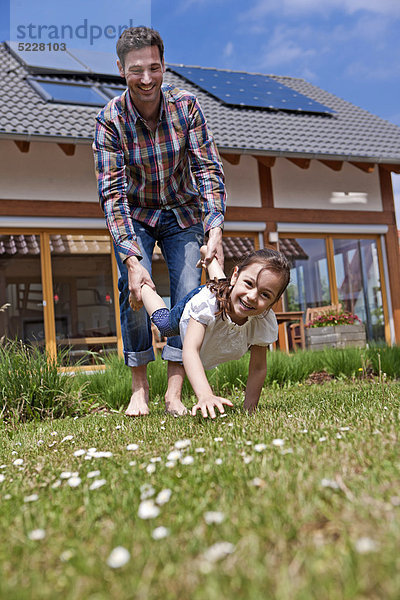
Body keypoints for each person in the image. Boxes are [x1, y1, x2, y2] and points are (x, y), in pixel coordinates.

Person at [93, 27, 226, 417]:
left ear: (164, 65)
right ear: (121, 69)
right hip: (136, 214)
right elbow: (112, 196)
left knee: (186, 294)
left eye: (154, 67)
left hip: (183, 212)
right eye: (137, 70)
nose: (147, 78)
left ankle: (174, 391)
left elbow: (208, 171)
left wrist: (215, 228)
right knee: (133, 291)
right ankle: (139, 388)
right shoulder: (109, 122)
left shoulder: (187, 108)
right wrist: (133, 261)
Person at [133, 247, 290, 418]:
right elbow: (190, 350)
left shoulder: (263, 320)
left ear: (274, 302)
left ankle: (209, 259)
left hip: (226, 293)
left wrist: (249, 410)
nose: (252, 296)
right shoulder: (206, 303)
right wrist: (205, 395)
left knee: (227, 288)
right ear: (236, 275)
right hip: (203, 306)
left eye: (265, 294)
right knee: (166, 326)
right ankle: (143, 287)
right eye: (249, 284)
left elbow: (258, 368)